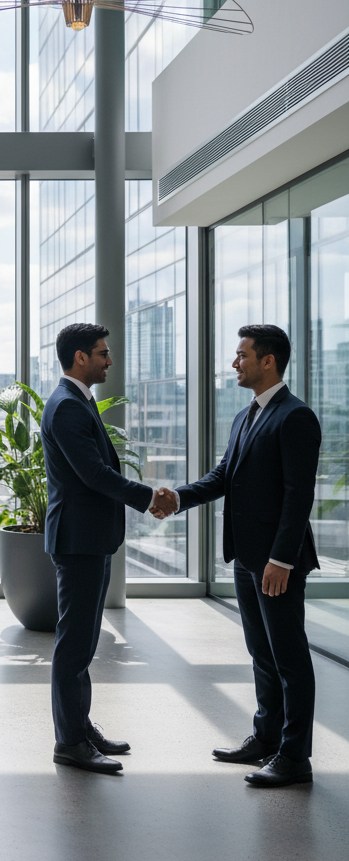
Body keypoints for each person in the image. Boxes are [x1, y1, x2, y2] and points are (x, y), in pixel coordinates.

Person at [153, 325, 320, 788]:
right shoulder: (246, 415)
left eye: (242, 355)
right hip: (247, 558)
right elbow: (225, 474)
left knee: (289, 658)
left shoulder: (295, 417)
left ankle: (295, 757)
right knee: (261, 653)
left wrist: (282, 559)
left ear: (268, 361)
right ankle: (266, 738)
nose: (234, 363)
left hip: (276, 562)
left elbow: (297, 495)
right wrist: (178, 497)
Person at [41, 323, 160, 774]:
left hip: (89, 538)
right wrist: (148, 497)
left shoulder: (77, 402)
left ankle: (79, 726)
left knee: (84, 641)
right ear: (79, 358)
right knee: (74, 644)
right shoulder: (67, 407)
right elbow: (93, 474)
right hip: (79, 540)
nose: (109, 361)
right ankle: (69, 741)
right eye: (102, 353)